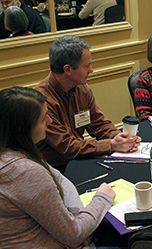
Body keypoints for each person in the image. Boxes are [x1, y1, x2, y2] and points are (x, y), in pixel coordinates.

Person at [0, 87, 136, 249]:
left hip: (51, 243)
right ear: (23, 129)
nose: (49, 121)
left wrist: (80, 224)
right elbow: (73, 236)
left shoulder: (12, 153)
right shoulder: (24, 172)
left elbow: (61, 181)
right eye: (43, 119)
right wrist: (102, 198)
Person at [34, 35, 141, 173]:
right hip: (56, 169)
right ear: (67, 69)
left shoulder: (82, 88)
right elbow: (67, 146)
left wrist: (121, 138)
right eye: (86, 66)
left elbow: (98, 124)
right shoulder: (42, 101)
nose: (91, 70)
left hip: (80, 159)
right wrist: (111, 144)